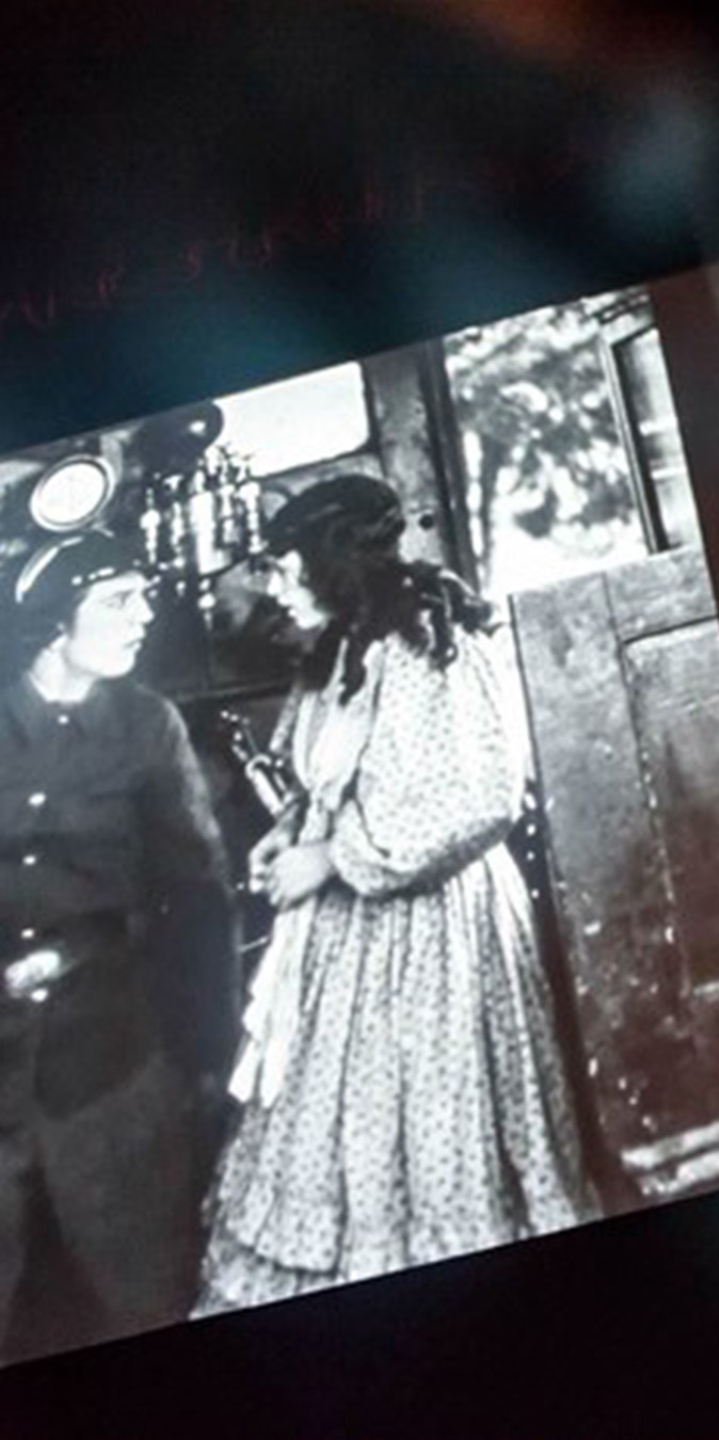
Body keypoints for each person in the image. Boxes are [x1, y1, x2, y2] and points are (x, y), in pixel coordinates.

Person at [198, 475, 594, 1310]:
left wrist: (335, 859)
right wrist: (290, 834)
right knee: (330, 1129)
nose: (272, 586)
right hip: (346, 935)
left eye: (283, 567)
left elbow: (484, 796)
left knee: (432, 1119)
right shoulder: (330, 657)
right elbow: (317, 782)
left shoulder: (440, 646)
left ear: (331, 563)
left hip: (437, 925)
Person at [0, 531, 236, 1358]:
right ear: (52, 623)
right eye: (117, 600)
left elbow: (200, 900)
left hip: (113, 1065)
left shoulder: (146, 727)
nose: (144, 615)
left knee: (147, 1298)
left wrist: (210, 1054)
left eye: (145, 594)